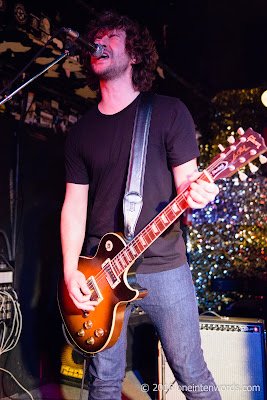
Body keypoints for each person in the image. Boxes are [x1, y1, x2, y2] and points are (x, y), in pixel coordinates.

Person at [61, 10, 221, 400]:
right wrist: (70, 272)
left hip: (164, 262)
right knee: (104, 380)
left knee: (189, 370)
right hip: (100, 270)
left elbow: (189, 184)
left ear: (134, 54)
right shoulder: (80, 132)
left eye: (112, 37)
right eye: (95, 37)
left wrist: (200, 193)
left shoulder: (168, 112)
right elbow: (74, 205)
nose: (100, 42)